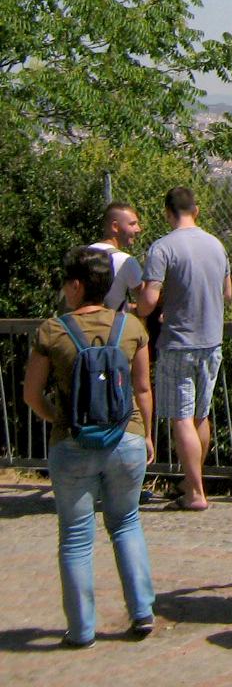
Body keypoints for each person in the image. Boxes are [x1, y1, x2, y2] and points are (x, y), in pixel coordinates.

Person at [23, 246, 156, 646]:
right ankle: (142, 612)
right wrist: (146, 433)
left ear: (77, 286)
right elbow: (143, 388)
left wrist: (56, 419)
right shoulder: (131, 327)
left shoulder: (52, 330)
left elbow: (31, 394)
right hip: (126, 437)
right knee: (126, 522)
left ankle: (81, 629)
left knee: (77, 535)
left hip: (73, 441)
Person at [135, 185, 232, 511]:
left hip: (178, 342)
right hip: (212, 341)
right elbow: (228, 293)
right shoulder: (217, 246)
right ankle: (193, 481)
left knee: (180, 418)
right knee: (200, 415)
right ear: (197, 210)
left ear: (167, 213)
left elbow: (147, 303)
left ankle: (195, 494)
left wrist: (147, 303)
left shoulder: (162, 248)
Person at [89, 201, 144, 313]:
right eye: (132, 224)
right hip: (112, 327)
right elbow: (146, 302)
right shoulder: (126, 261)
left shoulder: (85, 253)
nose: (138, 229)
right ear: (115, 226)